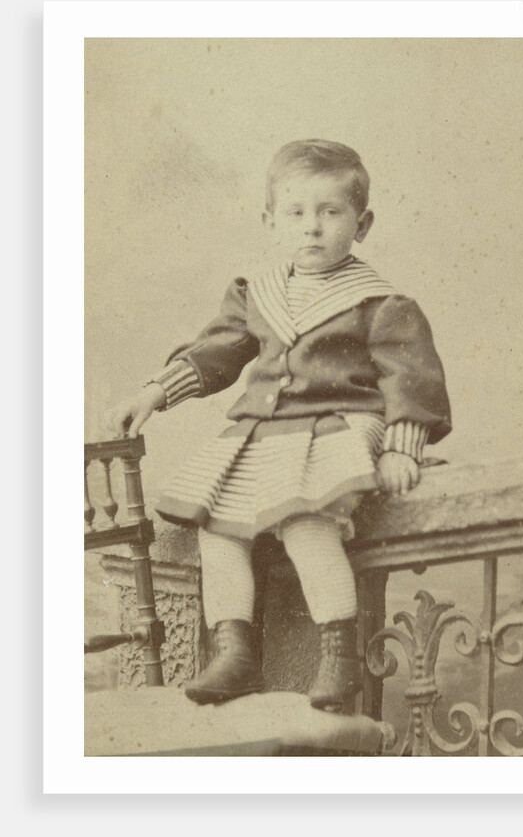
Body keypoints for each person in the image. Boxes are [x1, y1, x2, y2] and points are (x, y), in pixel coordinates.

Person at [108, 139, 451, 712]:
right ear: (271, 222)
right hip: (264, 433)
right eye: (295, 213)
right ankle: (236, 651)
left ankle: (339, 654)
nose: (311, 228)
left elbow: (410, 380)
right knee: (217, 529)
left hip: (340, 426)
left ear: (361, 224)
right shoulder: (257, 294)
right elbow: (217, 353)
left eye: (329, 212)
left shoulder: (379, 303)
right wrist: (155, 392)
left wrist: (401, 449)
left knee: (304, 522)